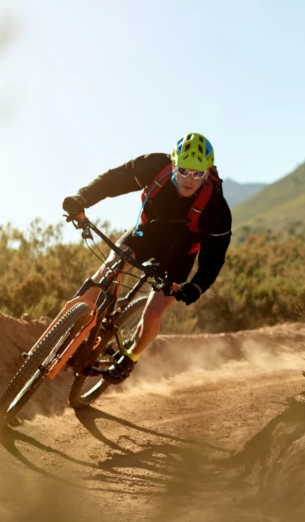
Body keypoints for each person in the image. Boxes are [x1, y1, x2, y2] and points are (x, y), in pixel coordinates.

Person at [61, 133, 232, 383]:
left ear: (207, 172)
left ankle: (131, 357)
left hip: (180, 254)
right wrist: (82, 198)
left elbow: (215, 256)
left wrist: (196, 286)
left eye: (198, 173)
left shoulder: (216, 207)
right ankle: (72, 330)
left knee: (152, 313)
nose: (189, 179)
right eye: (184, 170)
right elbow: (113, 180)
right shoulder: (153, 166)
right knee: (107, 270)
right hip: (147, 234)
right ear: (173, 162)